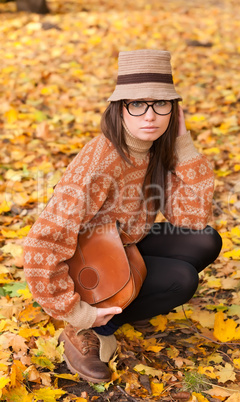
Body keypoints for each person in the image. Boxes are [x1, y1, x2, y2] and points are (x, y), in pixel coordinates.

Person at [23, 49, 222, 383]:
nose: (150, 115)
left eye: (161, 104)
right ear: (119, 108)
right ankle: (89, 329)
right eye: (137, 104)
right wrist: (74, 309)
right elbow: (40, 244)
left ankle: (122, 302)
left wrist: (183, 143)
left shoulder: (156, 148)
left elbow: (191, 215)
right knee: (182, 279)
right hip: (85, 266)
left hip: (124, 247)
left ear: (175, 110)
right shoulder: (101, 161)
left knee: (205, 240)